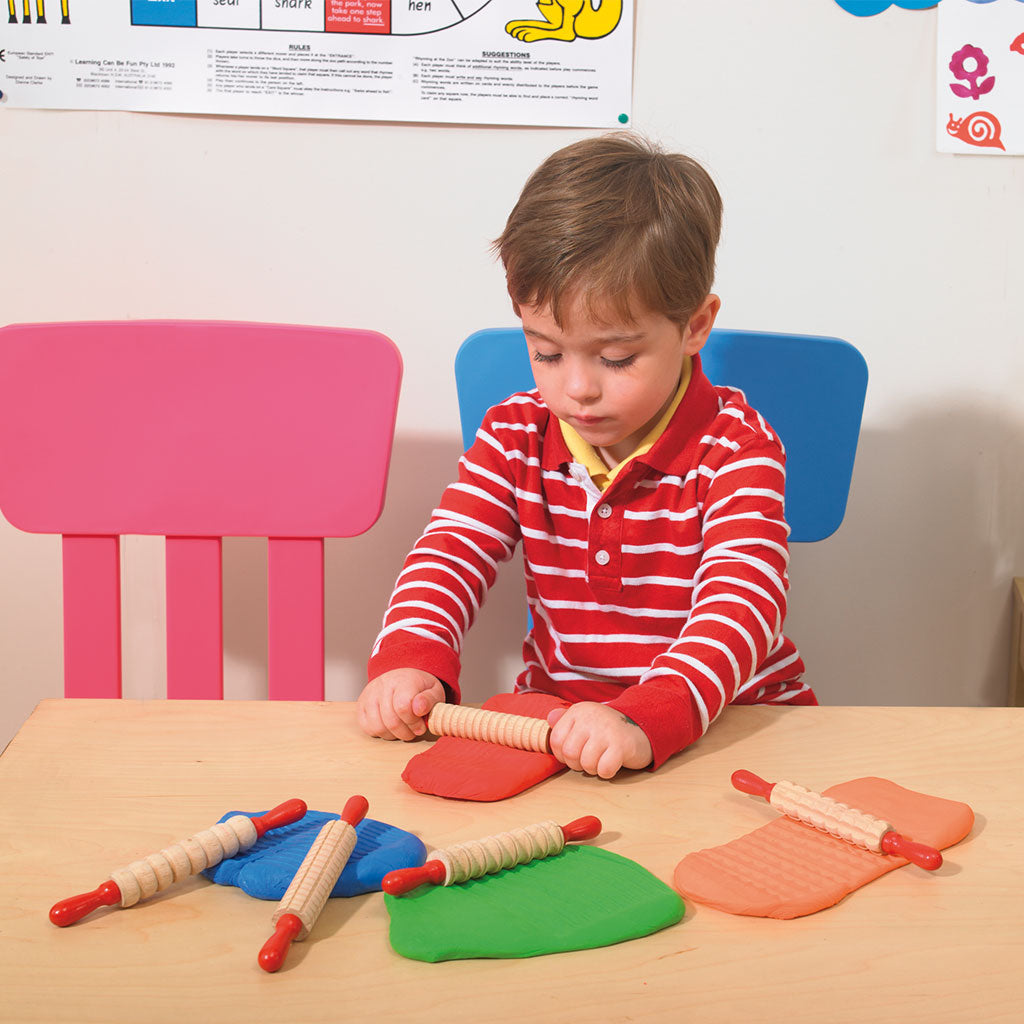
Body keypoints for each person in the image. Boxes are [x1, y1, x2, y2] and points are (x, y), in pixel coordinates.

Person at [358, 132, 815, 777]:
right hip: (561, 731)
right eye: (546, 352)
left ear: (695, 326)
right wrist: (411, 653)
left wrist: (645, 714)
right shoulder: (516, 434)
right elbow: (449, 553)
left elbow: (742, 602)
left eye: (616, 358)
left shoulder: (736, 447)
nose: (576, 389)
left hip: (730, 725)